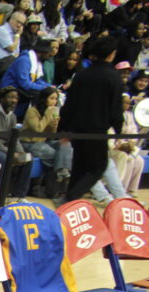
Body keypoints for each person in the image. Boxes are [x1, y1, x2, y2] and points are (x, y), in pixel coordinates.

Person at [60, 36, 124, 202]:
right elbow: (116, 107)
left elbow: (69, 103)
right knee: (98, 166)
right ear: (111, 55)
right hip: (97, 130)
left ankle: (69, 200)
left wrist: (64, 128)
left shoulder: (82, 74)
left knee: (79, 167)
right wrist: (118, 128)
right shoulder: (113, 77)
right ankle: (72, 196)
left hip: (77, 129)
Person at [22, 86, 73, 196]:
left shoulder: (51, 112)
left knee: (65, 144)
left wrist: (54, 125)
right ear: (44, 98)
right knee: (55, 154)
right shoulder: (32, 111)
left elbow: (51, 136)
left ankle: (62, 172)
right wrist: (47, 115)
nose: (54, 102)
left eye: (56, 99)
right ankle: (59, 180)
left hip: (43, 142)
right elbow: (38, 129)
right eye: (51, 98)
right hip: (29, 143)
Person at [1, 38, 53, 110]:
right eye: (48, 53)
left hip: (21, 90)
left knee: (48, 93)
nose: (49, 56)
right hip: (10, 89)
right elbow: (25, 84)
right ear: (42, 52)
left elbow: (37, 80)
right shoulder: (24, 60)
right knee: (41, 95)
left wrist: (50, 87)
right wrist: (45, 88)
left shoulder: (38, 62)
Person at [109, 93, 146, 194]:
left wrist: (131, 143)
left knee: (139, 160)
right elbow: (110, 136)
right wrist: (119, 146)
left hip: (126, 147)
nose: (128, 105)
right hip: (112, 148)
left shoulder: (129, 115)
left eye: (129, 103)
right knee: (128, 158)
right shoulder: (110, 115)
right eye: (125, 103)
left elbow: (134, 132)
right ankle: (121, 191)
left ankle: (131, 190)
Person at [0, 11, 25, 77]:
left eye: (21, 24)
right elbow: (12, 48)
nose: (19, 25)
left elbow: (17, 54)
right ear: (11, 19)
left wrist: (17, 36)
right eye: (18, 22)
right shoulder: (2, 30)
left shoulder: (15, 35)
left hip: (6, 64)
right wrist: (18, 35)